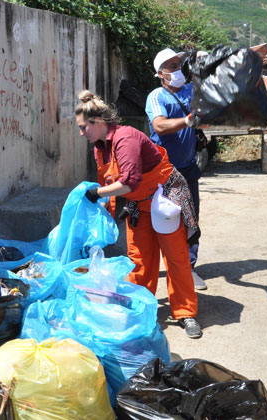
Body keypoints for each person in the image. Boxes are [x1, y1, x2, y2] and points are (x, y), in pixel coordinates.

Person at [76, 90, 202, 339]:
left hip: (165, 199)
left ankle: (185, 312)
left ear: (98, 122)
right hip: (138, 204)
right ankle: (140, 307)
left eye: (83, 127)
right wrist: (105, 211)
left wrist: (96, 193)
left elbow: (129, 182)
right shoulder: (100, 146)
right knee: (139, 259)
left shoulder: (126, 138)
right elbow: (111, 182)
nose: (82, 133)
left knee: (176, 257)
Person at [145, 48, 208, 291]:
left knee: (191, 220)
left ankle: (188, 268)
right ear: (160, 73)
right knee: (162, 219)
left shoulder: (191, 91)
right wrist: (187, 121)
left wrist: (204, 62)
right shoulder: (156, 96)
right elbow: (159, 125)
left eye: (178, 64)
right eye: (170, 66)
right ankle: (157, 269)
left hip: (188, 168)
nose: (176, 69)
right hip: (162, 171)